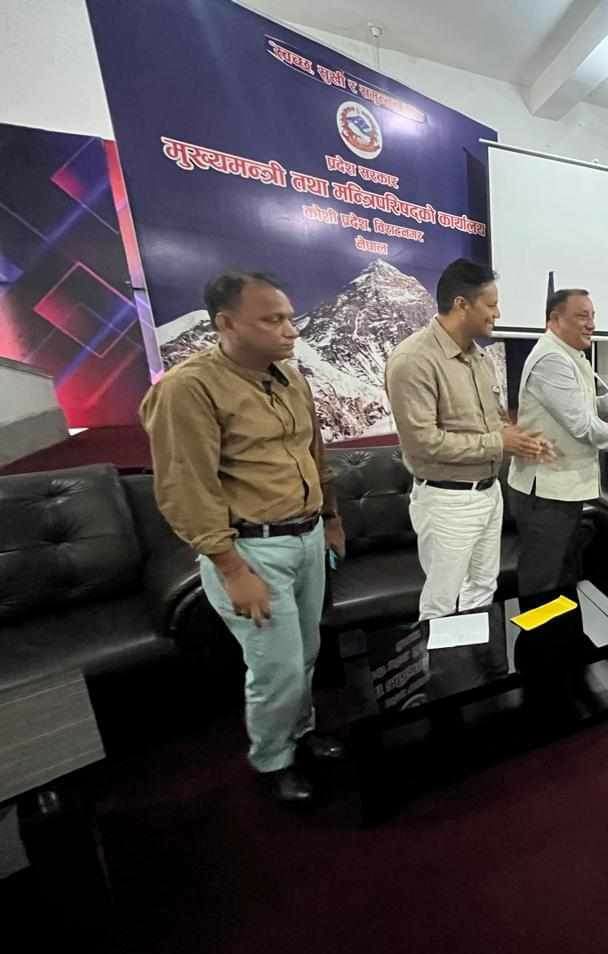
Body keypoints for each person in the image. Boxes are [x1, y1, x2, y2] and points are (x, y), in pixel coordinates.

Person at [140, 271, 346, 804]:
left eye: (289, 317)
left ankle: (300, 732)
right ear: (227, 324)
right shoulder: (188, 389)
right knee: (276, 667)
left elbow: (314, 453)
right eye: (272, 320)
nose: (290, 330)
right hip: (253, 550)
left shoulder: (289, 378)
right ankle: (272, 760)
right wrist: (232, 569)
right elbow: (186, 487)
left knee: (305, 653)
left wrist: (331, 518)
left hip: (306, 536)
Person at [385, 258, 548, 624]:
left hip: (489, 493)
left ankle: (474, 658)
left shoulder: (481, 358)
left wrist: (520, 441)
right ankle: (443, 663)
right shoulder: (413, 360)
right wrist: (499, 443)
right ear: (462, 304)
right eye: (491, 305)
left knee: (483, 588)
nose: (497, 313)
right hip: (447, 500)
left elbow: (495, 423)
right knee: (442, 601)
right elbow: (422, 443)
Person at [508, 289, 608, 594]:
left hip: (561, 489)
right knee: (543, 581)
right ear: (555, 319)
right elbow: (582, 425)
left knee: (563, 575)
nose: (591, 324)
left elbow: (581, 409)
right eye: (581, 316)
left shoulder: (569, 354)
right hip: (546, 493)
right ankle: (537, 628)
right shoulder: (552, 359)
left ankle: (560, 627)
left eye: (593, 316)